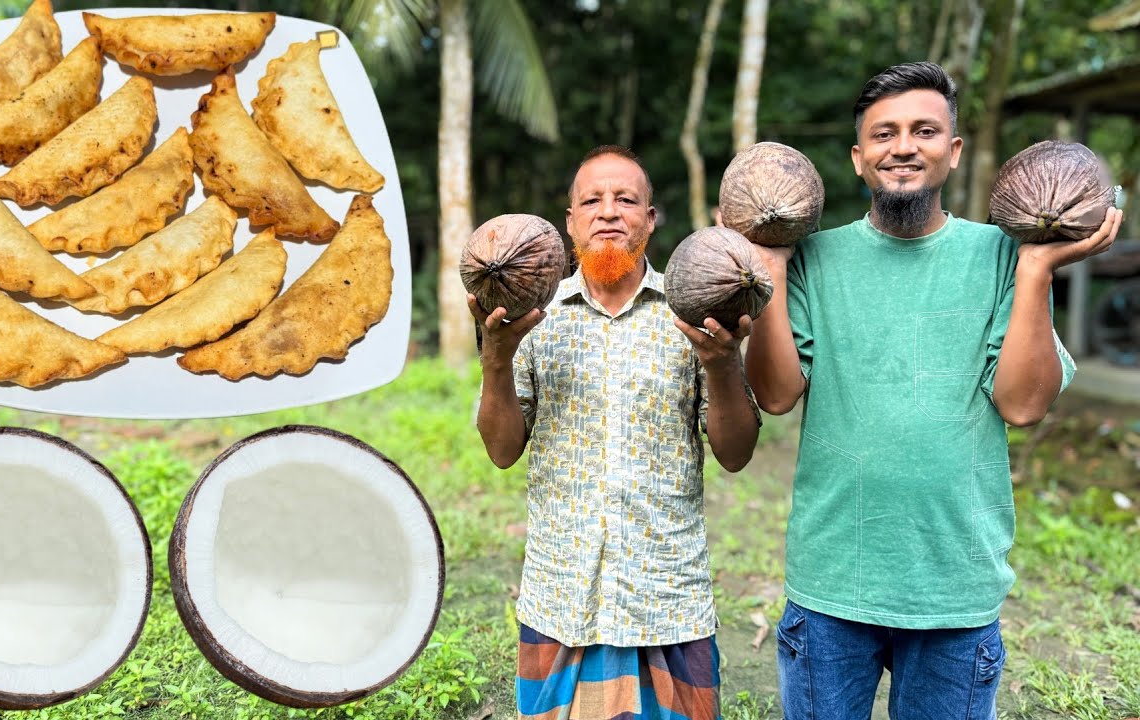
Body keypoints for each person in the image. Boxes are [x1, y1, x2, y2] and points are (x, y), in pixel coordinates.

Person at [743, 62, 1123, 718]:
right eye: (884, 133)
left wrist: (1036, 268)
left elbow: (1024, 404)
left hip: (955, 585)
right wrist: (771, 265)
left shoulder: (1002, 253)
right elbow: (775, 396)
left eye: (924, 130)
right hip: (834, 582)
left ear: (952, 153)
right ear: (860, 159)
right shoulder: (815, 258)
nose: (903, 146)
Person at [470, 145, 761, 720]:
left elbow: (735, 453)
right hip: (561, 598)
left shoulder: (692, 313)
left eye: (625, 199)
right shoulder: (534, 315)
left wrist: (724, 365)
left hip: (667, 599)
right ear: (570, 222)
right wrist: (496, 359)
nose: (608, 211)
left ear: (650, 219)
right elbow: (502, 451)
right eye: (592, 200)